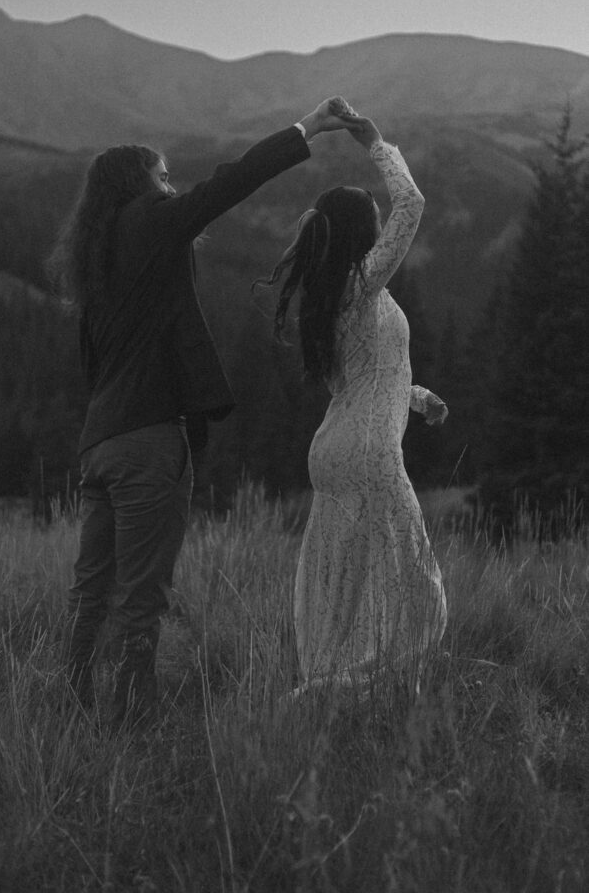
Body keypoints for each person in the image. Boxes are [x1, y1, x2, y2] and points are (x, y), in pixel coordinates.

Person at [47, 96, 363, 730]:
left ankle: (70, 712)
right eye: (162, 177)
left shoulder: (95, 256)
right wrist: (308, 127)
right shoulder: (151, 222)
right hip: (146, 446)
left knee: (91, 594)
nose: (170, 188)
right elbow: (230, 183)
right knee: (141, 601)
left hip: (99, 447)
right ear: (139, 186)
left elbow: (93, 366)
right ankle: (134, 730)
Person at [260, 114, 448, 697]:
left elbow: (361, 381)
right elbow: (412, 203)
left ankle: (329, 685)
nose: (380, 216)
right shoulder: (362, 282)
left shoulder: (328, 294)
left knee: (342, 583)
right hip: (368, 453)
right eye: (371, 213)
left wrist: (417, 400)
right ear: (361, 231)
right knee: (415, 585)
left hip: (334, 450)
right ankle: (351, 693)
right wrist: (374, 143)